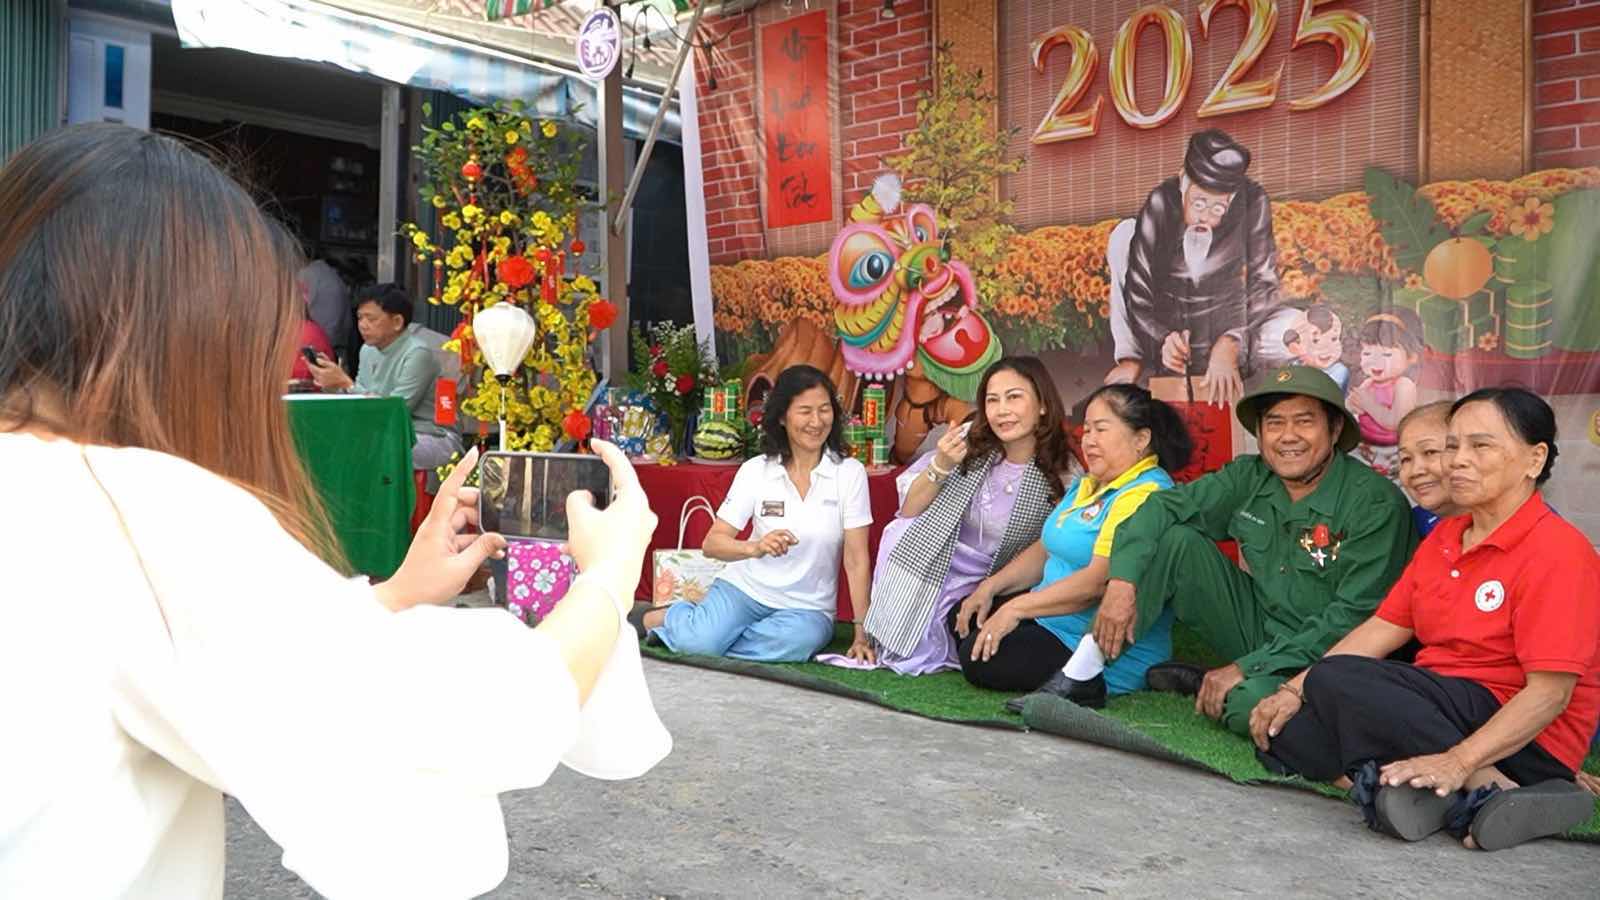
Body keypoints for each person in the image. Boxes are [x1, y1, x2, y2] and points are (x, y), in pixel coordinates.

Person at [0, 124, 669, 899]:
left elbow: (248, 665)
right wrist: (610, 573)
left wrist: (397, 595)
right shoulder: (130, 501)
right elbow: (467, 716)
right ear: (196, 331)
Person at [1252, 388, 1599, 851]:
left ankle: (1490, 786)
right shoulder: (1447, 537)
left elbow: (1551, 694)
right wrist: (1293, 691)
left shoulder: (1559, 551)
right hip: (1436, 708)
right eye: (1452, 446)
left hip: (1523, 736)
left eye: (1480, 445)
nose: (1457, 460)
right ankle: (1420, 793)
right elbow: (1382, 629)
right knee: (1284, 730)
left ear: (1534, 459)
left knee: (1335, 678)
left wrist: (1459, 761)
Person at [1090, 366, 1416, 736]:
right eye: (1275, 423)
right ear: (1260, 433)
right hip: (1260, 628)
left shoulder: (1374, 503)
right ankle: (1084, 670)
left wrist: (1246, 667)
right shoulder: (1250, 475)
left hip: (1332, 656)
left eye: (1304, 421)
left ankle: (1230, 686)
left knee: (1251, 705)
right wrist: (1122, 582)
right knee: (1173, 539)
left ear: (1335, 429)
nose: (1288, 436)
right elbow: (1161, 507)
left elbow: (1352, 619)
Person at [951, 384, 1190, 701]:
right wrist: (991, 587)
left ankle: (1096, 677)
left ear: (1141, 439)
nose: (1088, 440)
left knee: (979, 659)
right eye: (1087, 429)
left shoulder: (1145, 494)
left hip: (1088, 640)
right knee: (964, 615)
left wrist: (1015, 609)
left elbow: (1096, 583)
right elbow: (1047, 548)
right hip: (1049, 618)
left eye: (1101, 429)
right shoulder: (1089, 483)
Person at [638, 365, 874, 662]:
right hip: (744, 590)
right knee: (702, 644)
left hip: (806, 608)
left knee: (797, 642)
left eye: (824, 410)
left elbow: (856, 559)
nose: (816, 421)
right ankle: (673, 618)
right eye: (805, 411)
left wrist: (861, 633)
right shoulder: (756, 470)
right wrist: (755, 547)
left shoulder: (849, 473)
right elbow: (713, 544)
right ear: (782, 417)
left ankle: (706, 629)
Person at [856, 357, 1074, 675]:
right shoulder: (970, 443)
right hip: (935, 559)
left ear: (1042, 404)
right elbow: (909, 511)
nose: (1002, 410)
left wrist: (991, 587)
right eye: (992, 400)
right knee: (904, 530)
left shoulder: (1063, 473)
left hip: (999, 577)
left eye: (1014, 397)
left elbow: (1050, 549)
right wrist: (942, 464)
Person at [1104, 129, 1290, 405]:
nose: (1205, 217)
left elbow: (1263, 283)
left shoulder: (1253, 201)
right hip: (1171, 323)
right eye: (1199, 203)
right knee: (1123, 235)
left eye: (1217, 209)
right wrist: (1162, 339)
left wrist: (1231, 342)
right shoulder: (1161, 202)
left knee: (1291, 329)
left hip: (1231, 320)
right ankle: (1133, 358)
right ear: (1183, 181)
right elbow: (1138, 291)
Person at [308, 282, 463, 472]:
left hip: (430, 436)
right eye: (360, 318)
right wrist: (331, 384)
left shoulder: (417, 353)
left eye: (371, 319)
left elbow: (395, 411)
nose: (362, 325)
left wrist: (346, 383)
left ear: (397, 322)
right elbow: (361, 404)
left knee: (370, 447)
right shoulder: (367, 350)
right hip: (384, 433)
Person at [1396, 400, 1462, 538]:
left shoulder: (1502, 527)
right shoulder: (1410, 526)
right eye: (1406, 459)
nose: (1415, 471)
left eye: (1430, 452)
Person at [298, 255, 350, 353]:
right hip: (338, 342)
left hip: (316, 343)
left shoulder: (306, 274)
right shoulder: (334, 276)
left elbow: (296, 305)